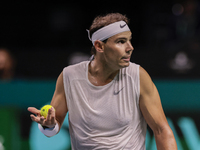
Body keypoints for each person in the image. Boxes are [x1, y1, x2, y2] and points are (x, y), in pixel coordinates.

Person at [28, 13, 177, 149]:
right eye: (121, 41)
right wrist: (49, 125)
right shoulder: (69, 76)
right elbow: (54, 123)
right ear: (99, 46)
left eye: (129, 41)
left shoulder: (138, 76)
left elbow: (162, 130)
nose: (130, 48)